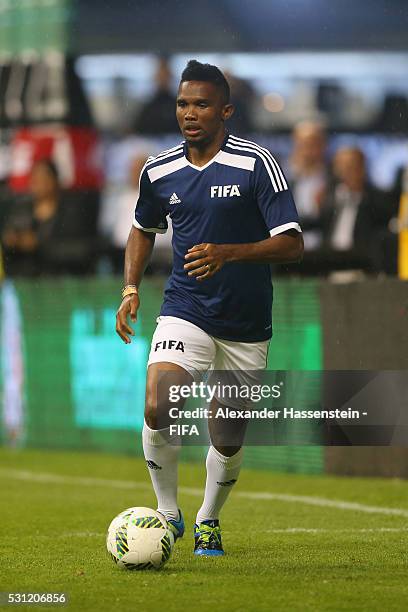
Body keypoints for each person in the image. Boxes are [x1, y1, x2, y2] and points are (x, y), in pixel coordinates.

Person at [116, 60, 303, 556]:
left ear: (226, 110)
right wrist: (130, 289)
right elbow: (142, 228)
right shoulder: (159, 170)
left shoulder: (257, 164)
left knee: (227, 433)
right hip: (186, 307)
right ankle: (169, 512)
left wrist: (230, 252)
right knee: (159, 402)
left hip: (246, 321)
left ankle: (208, 517)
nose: (189, 113)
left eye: (200, 104)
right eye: (182, 103)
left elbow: (292, 244)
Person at [287, 121, 329, 250]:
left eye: (314, 144)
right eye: (303, 144)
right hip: (288, 246)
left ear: (323, 146)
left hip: (323, 248)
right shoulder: (281, 175)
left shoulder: (332, 179)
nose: (308, 150)